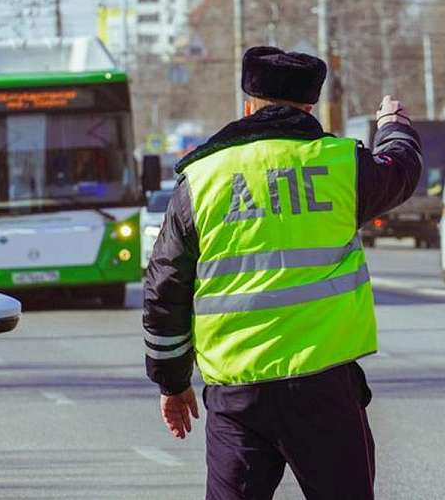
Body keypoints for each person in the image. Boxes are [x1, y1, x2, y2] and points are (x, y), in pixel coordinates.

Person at [143, 46, 423, 499]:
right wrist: (394, 126)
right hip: (324, 387)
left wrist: (172, 382)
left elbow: (164, 290)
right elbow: (401, 171)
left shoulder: (203, 179)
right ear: (309, 106)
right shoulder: (339, 164)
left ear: (248, 104)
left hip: (237, 395)